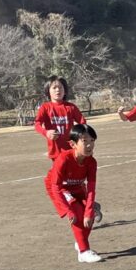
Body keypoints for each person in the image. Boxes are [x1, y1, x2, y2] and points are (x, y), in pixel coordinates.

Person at [35, 75, 102, 222]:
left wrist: (80, 137)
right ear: (48, 91)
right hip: (56, 154)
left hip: (73, 153)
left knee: (73, 181)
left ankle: (85, 207)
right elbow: (37, 124)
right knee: (62, 184)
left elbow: (82, 122)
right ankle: (86, 207)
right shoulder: (45, 108)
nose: (58, 90)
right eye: (54, 87)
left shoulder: (70, 107)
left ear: (65, 91)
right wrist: (46, 132)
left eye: (60, 87)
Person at [51, 124, 103, 263]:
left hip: (78, 188)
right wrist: (68, 211)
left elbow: (91, 187)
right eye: (84, 141)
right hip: (61, 189)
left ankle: (80, 243)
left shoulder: (91, 162)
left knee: (89, 213)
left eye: (92, 141)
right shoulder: (63, 159)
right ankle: (84, 250)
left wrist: (89, 210)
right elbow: (55, 186)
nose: (89, 145)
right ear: (73, 144)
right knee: (77, 212)